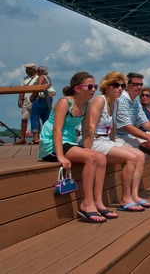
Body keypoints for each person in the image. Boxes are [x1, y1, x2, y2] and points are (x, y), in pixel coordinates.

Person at [38, 72, 108, 223]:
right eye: (89, 86)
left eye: (95, 86)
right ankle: (86, 204)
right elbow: (57, 129)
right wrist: (60, 155)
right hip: (51, 143)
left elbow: (86, 130)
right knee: (91, 158)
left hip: (69, 141)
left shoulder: (86, 104)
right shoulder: (64, 103)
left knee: (100, 157)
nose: (93, 89)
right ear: (77, 88)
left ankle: (97, 201)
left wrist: (88, 149)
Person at [81, 71, 150, 213]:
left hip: (106, 141)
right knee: (132, 157)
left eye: (122, 86)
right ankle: (125, 199)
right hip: (94, 141)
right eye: (115, 85)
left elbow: (112, 130)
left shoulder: (115, 103)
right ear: (106, 87)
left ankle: (133, 195)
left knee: (139, 155)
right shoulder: (100, 100)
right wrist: (87, 150)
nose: (120, 88)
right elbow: (90, 127)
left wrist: (115, 145)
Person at [28, 66, 53, 144]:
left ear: (41, 71)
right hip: (48, 99)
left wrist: (32, 96)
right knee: (45, 118)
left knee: (34, 117)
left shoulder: (41, 77)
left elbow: (38, 87)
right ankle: (46, 137)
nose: (37, 72)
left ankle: (35, 137)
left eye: (38, 70)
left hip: (40, 99)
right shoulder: (48, 78)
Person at [14, 63, 38, 144]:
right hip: (26, 101)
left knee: (35, 119)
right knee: (24, 119)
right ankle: (22, 138)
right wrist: (19, 99)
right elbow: (22, 90)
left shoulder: (38, 78)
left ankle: (36, 138)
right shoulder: (25, 78)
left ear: (34, 69)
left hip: (35, 101)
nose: (26, 70)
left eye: (28, 69)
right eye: (26, 69)